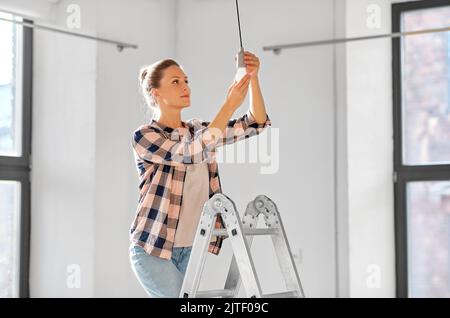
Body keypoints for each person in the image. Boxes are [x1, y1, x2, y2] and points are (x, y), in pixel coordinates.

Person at [129, 51, 271, 297]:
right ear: (156, 93)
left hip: (190, 248)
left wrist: (253, 78)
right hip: (152, 249)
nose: (185, 86)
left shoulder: (198, 130)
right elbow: (190, 153)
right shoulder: (145, 136)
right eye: (176, 82)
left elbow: (255, 123)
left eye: (186, 81)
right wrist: (228, 105)